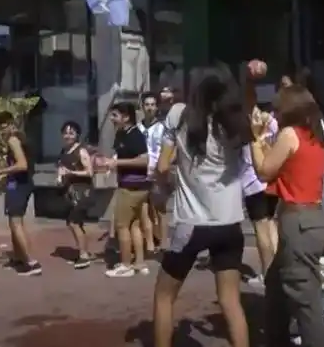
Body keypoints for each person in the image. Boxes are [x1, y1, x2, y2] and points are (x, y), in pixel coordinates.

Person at [153, 67, 251, 347]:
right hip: (230, 222)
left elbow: (162, 166)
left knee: (164, 296)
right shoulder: (235, 124)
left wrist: (167, 183)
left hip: (191, 223)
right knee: (231, 301)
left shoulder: (179, 116)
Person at [249, 85, 324, 347]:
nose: (275, 111)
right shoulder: (318, 136)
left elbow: (264, 171)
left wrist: (254, 138)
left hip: (298, 220)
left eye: (278, 107)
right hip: (315, 217)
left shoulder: (290, 134)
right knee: (276, 285)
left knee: (305, 298)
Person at [0, 111, 41, 276]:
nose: (3, 131)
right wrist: (5, 174)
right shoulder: (20, 138)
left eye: (6, 127)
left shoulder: (13, 140)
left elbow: (22, 165)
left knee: (16, 223)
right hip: (19, 183)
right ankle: (19, 258)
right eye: (0, 128)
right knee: (14, 223)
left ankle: (31, 262)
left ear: (12, 124)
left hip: (19, 185)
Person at [101, 102, 150, 278]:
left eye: (115, 116)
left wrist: (117, 163)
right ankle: (140, 263)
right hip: (127, 184)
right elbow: (117, 155)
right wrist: (109, 165)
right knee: (134, 225)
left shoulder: (136, 135)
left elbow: (144, 160)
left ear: (126, 117)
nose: (112, 119)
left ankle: (126, 264)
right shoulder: (121, 134)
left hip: (133, 187)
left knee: (122, 225)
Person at [242, 107, 279, 286]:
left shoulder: (248, 134)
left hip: (253, 185)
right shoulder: (269, 130)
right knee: (271, 225)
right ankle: (275, 272)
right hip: (269, 183)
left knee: (262, 230)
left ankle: (268, 274)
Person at [56, 121, 95, 269]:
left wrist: (71, 173)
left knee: (73, 222)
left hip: (82, 192)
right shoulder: (64, 151)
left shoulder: (81, 151)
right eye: (65, 133)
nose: (68, 136)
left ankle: (84, 255)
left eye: (71, 133)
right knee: (74, 223)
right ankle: (82, 251)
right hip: (70, 193)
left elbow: (89, 172)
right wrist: (60, 179)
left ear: (77, 135)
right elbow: (61, 170)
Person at [138, 91, 166, 253]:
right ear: (142, 107)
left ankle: (163, 243)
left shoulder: (161, 127)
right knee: (144, 207)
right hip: (141, 172)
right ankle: (149, 241)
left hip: (156, 172)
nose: (149, 108)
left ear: (157, 107)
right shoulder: (138, 127)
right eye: (147, 105)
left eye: (152, 105)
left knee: (160, 208)